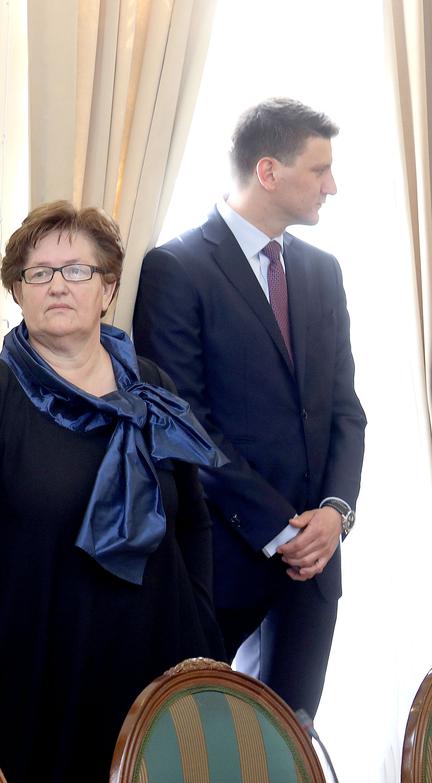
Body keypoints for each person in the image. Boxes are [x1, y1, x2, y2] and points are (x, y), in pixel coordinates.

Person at [0, 201, 226, 783]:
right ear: (18, 290)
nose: (58, 284)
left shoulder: (152, 387)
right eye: (39, 272)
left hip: (146, 665)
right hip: (24, 675)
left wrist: (199, 620)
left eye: (77, 270)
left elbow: (193, 519)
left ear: (108, 289)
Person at [133, 98, 366, 718]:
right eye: (320, 169)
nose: (332, 186)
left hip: (316, 564)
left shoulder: (323, 271)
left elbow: (345, 409)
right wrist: (280, 530)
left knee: (292, 744)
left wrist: (334, 515)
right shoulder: (176, 267)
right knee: (197, 743)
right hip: (220, 561)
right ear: (268, 171)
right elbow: (183, 423)